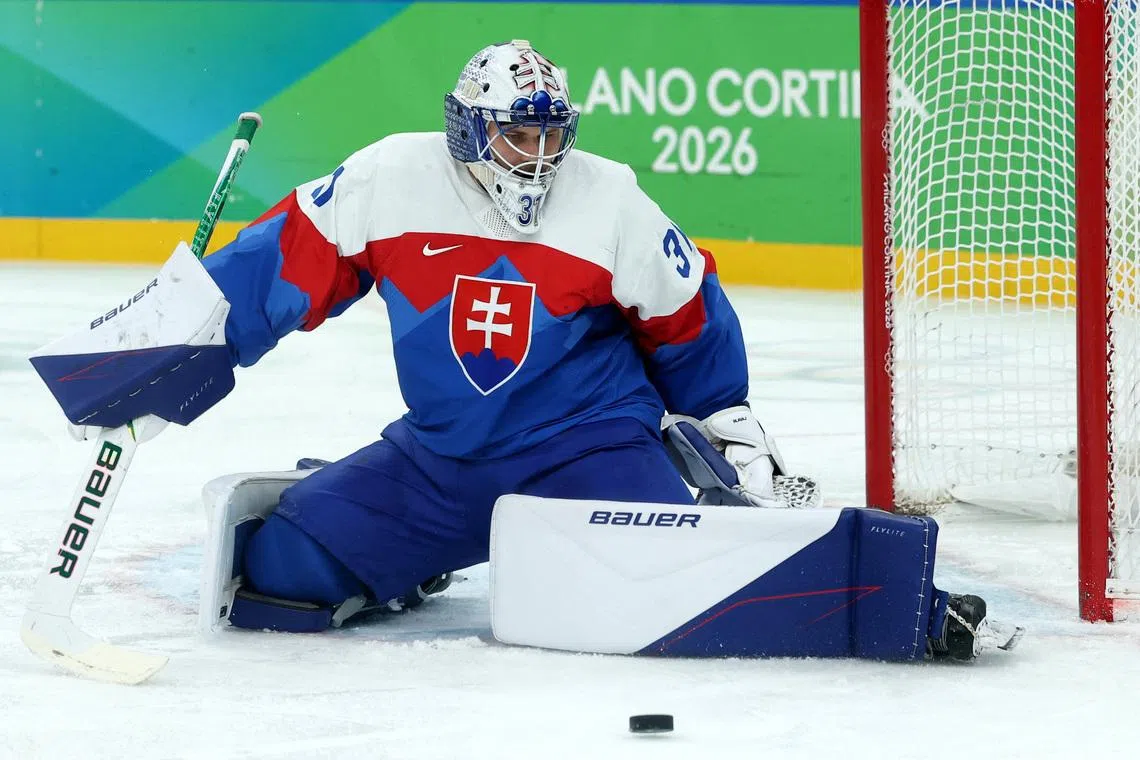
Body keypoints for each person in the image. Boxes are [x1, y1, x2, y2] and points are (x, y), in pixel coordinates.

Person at [68, 39, 997, 660]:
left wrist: (731, 430)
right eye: (519, 134)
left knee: (686, 591)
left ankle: (898, 597)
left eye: (554, 133)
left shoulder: (611, 200)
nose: (540, 154)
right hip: (440, 460)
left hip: (589, 452)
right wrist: (165, 352)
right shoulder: (388, 178)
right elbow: (277, 269)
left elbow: (689, 316)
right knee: (276, 579)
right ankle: (418, 556)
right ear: (470, 129)